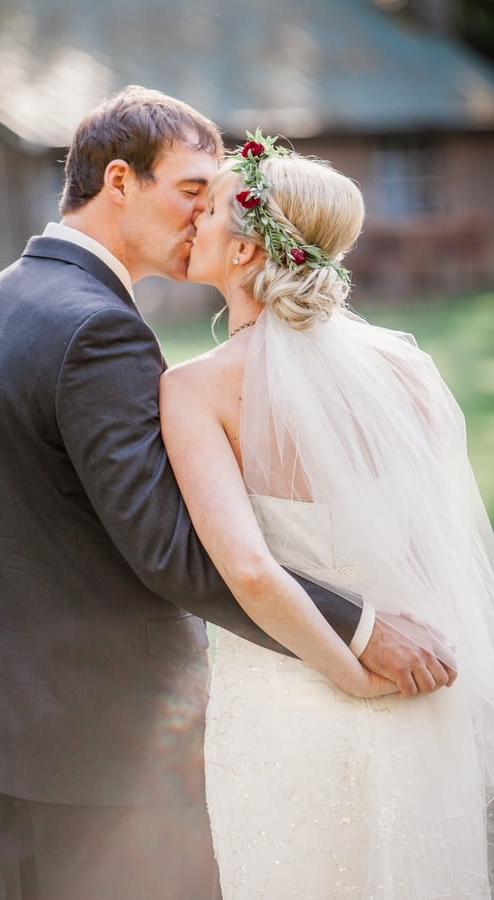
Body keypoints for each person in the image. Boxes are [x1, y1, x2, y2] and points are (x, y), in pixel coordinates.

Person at [0, 87, 452, 900]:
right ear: (119, 181)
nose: (205, 216)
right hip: (116, 761)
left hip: (20, 749)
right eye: (191, 191)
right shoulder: (96, 329)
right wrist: (358, 628)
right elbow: (173, 551)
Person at [160, 133, 494, 897]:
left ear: (245, 252)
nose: (193, 224)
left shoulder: (197, 390)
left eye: (207, 211)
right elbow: (435, 547)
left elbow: (246, 567)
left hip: (292, 701)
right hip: (422, 689)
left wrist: (350, 672)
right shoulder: (406, 369)